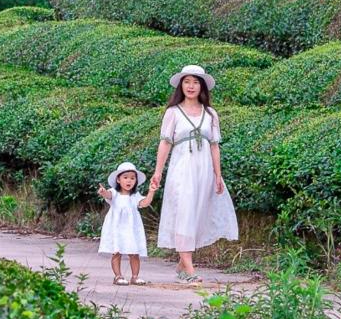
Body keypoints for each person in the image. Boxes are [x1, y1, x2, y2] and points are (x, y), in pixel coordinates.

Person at [147, 63, 236, 282]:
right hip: (182, 168)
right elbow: (165, 143)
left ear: (202, 87)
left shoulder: (211, 114)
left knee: (197, 213)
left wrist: (217, 175)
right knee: (184, 211)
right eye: (187, 82)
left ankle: (182, 263)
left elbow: (214, 146)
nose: (191, 86)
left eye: (196, 82)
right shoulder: (173, 113)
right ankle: (189, 269)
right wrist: (157, 172)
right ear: (181, 86)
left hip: (203, 169)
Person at [95, 162, 152, 285]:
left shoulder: (135, 195)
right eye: (125, 177)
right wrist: (103, 191)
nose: (129, 181)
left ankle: (135, 276)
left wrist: (151, 191)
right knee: (117, 251)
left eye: (132, 178)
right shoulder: (114, 193)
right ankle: (118, 276)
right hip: (116, 226)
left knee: (134, 252)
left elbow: (144, 203)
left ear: (135, 181)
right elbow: (108, 195)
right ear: (118, 179)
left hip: (132, 227)